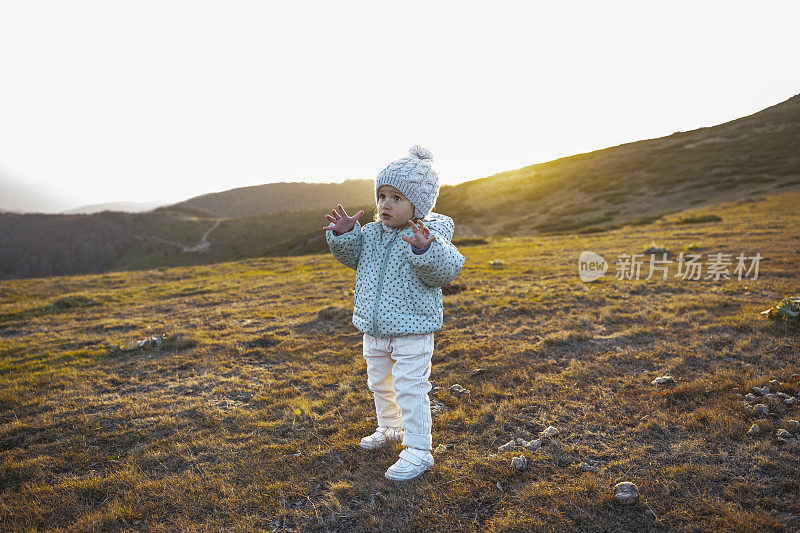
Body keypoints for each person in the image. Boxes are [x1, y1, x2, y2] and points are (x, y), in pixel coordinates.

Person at [322, 145, 466, 481]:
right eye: (382, 195)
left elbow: (443, 273)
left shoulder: (430, 236)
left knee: (410, 388)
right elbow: (352, 256)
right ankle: (389, 428)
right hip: (374, 330)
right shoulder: (371, 234)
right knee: (379, 383)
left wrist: (425, 250)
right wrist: (345, 235)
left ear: (419, 205)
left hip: (412, 331)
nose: (386, 204)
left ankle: (418, 450)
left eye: (397, 198)